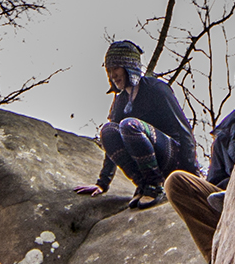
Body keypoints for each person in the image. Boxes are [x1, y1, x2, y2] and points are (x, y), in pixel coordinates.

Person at [160, 49, 235, 260]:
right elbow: (215, 181)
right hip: (233, 199)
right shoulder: (225, 133)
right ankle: (220, 262)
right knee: (175, 182)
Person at [71, 39, 199, 207]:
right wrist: (102, 183)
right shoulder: (121, 101)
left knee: (129, 125)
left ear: (129, 66)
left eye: (116, 68)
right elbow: (111, 144)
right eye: (109, 69)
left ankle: (155, 187)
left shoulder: (157, 89)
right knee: (108, 130)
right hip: (149, 163)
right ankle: (143, 184)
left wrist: (191, 175)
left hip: (173, 159)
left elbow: (185, 130)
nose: (112, 74)